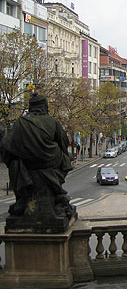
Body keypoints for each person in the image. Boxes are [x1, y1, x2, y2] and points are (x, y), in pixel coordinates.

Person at [0, 93, 75, 222]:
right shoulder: (53, 121)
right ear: (44, 107)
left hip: (29, 165)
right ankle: (57, 191)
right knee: (66, 159)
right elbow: (64, 143)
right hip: (51, 162)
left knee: (15, 160)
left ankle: (22, 199)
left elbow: (8, 145)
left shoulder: (21, 122)